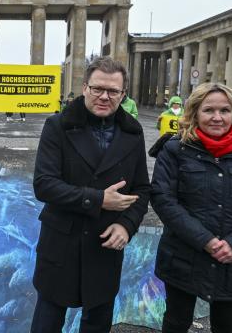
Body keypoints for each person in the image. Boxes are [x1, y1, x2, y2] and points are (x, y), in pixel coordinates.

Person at [149, 82, 232, 333]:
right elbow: (163, 199)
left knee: (227, 326)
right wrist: (206, 240)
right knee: (176, 322)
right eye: (209, 110)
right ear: (195, 113)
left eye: (225, 110)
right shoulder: (175, 149)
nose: (217, 117)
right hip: (183, 255)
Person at [31, 56, 151, 332]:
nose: (104, 97)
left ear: (123, 94)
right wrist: (98, 199)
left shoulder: (133, 132)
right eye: (97, 88)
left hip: (105, 243)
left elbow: (142, 188)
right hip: (61, 242)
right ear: (85, 87)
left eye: (113, 91)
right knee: (47, 323)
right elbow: (44, 184)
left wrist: (126, 224)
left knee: (97, 322)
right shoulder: (57, 126)